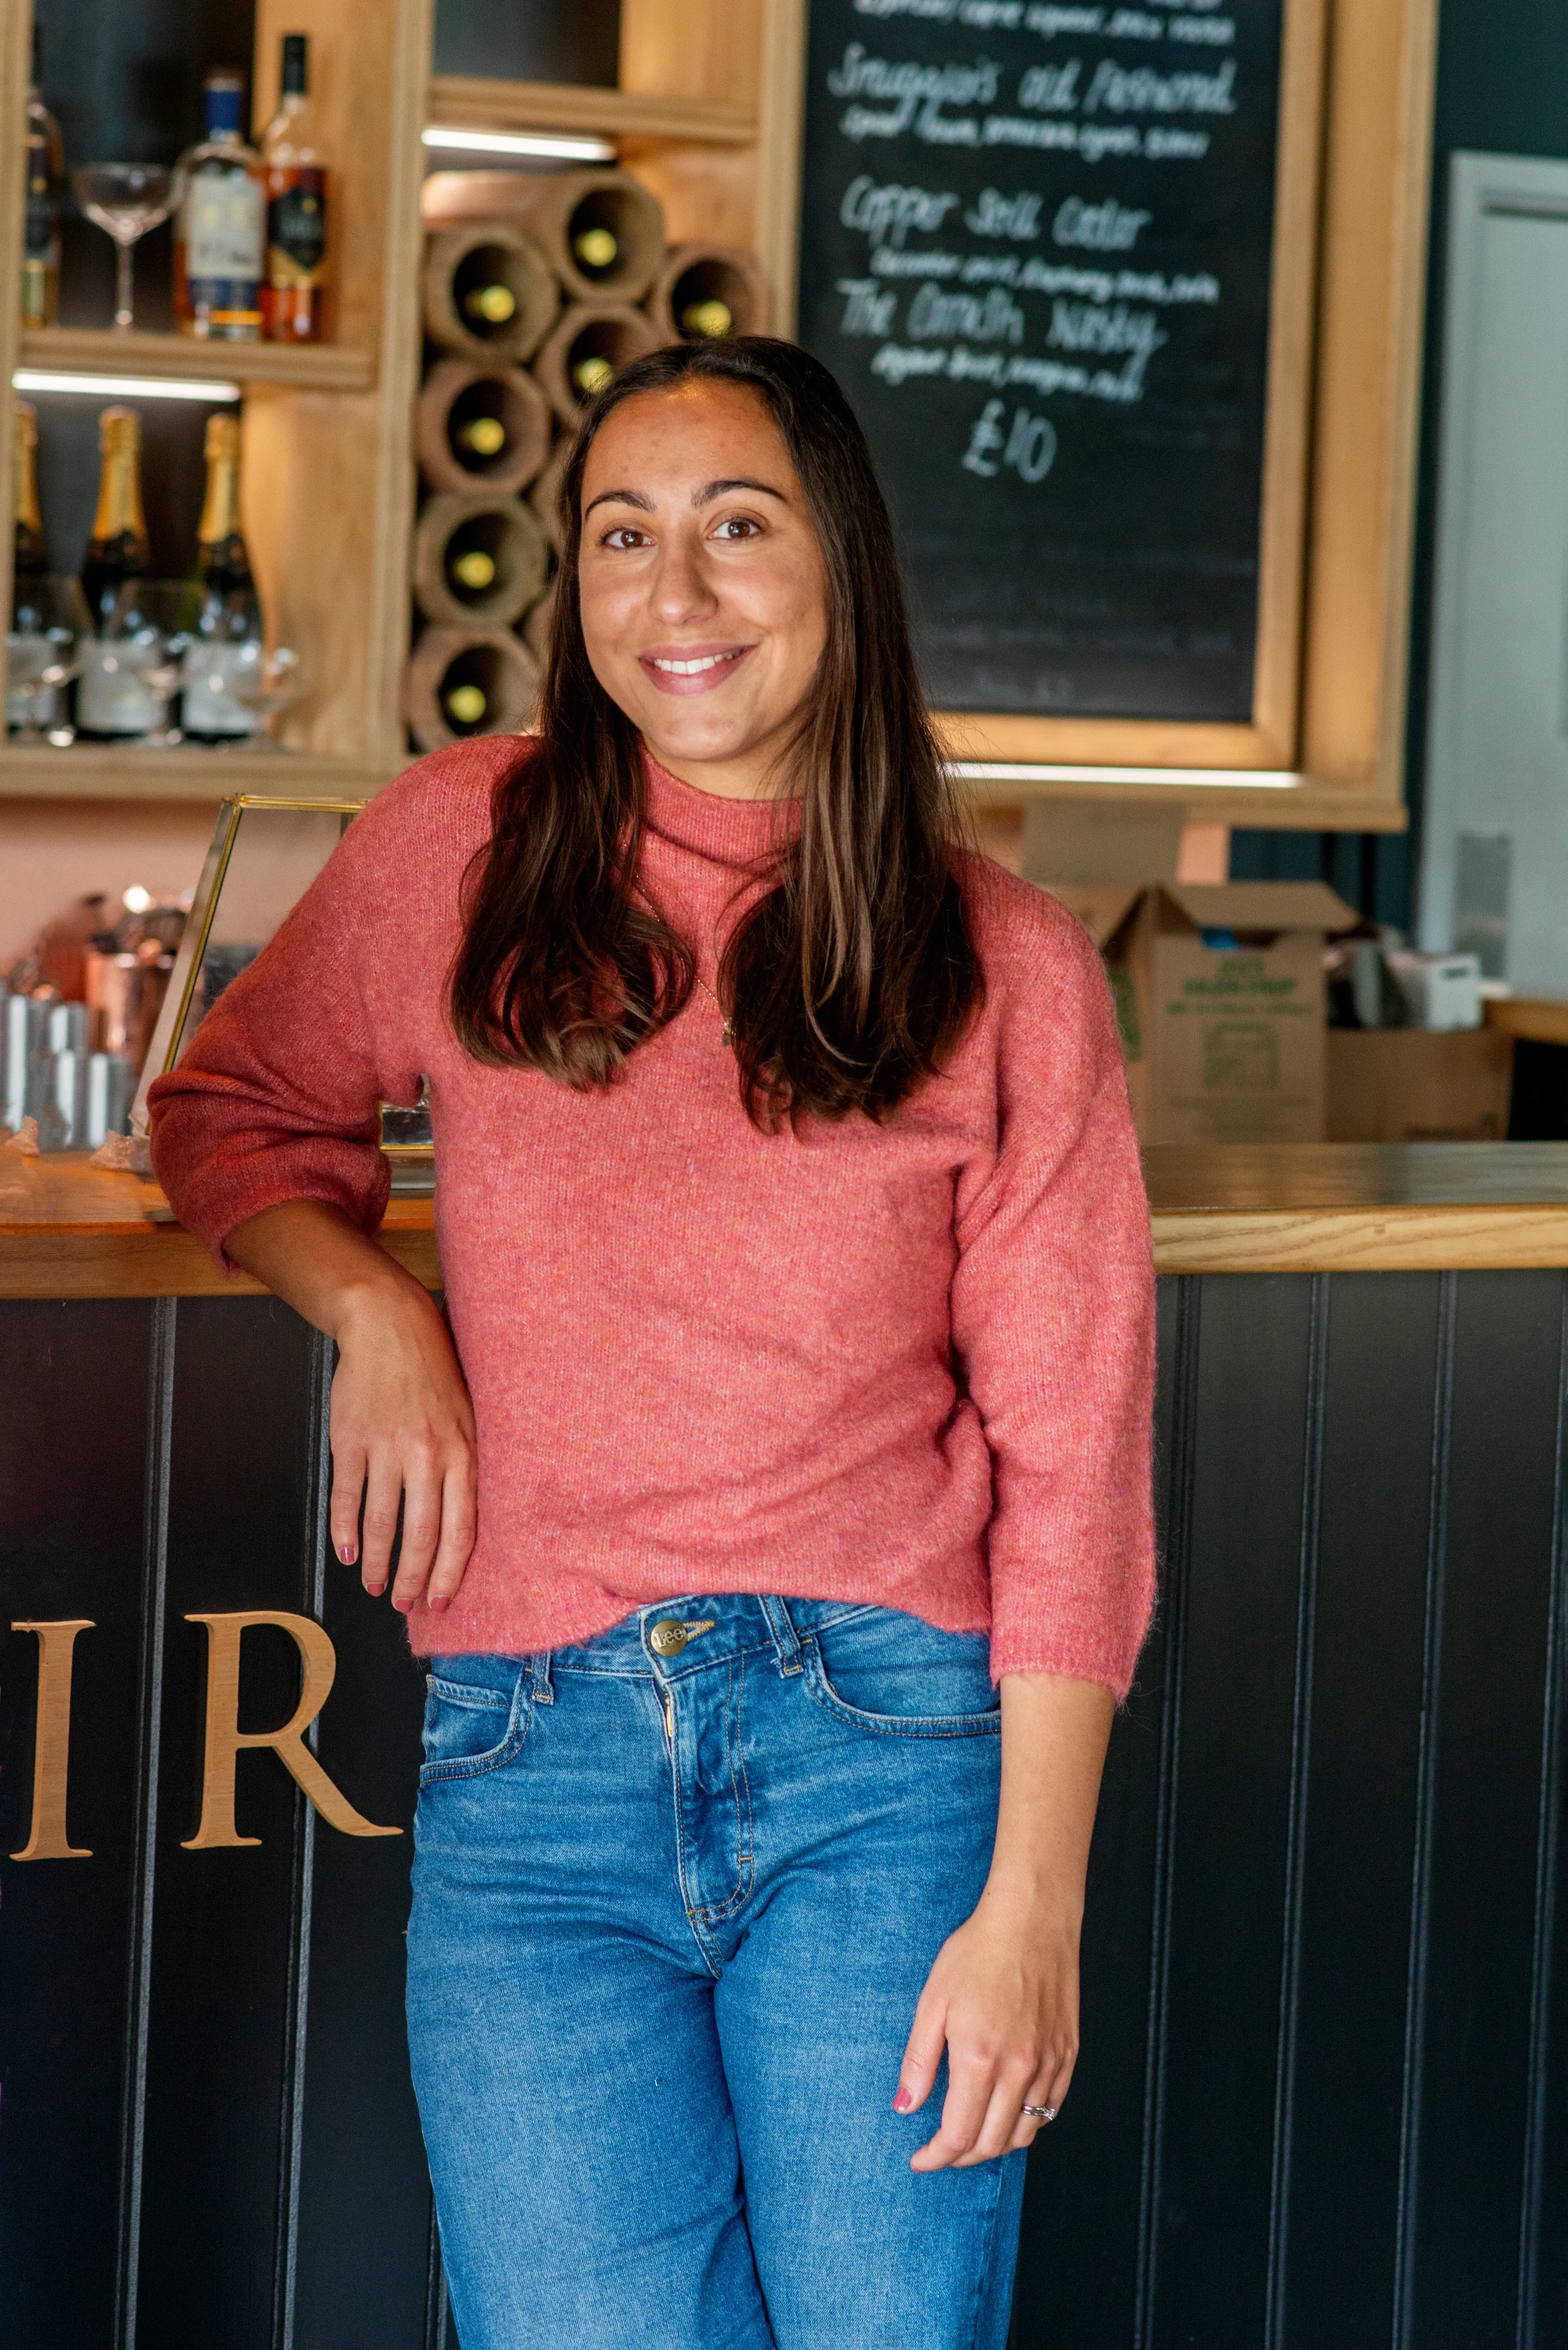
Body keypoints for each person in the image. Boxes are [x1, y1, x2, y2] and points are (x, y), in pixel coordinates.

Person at [150, 337, 1155, 2350]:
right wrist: (375, 1305)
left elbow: (1076, 1468)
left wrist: (1030, 1910)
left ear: (839, 561)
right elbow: (228, 1109)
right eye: (621, 535)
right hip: (531, 1763)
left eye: (734, 527)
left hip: (885, 1765)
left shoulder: (1009, 965)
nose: (671, 592)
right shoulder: (463, 843)